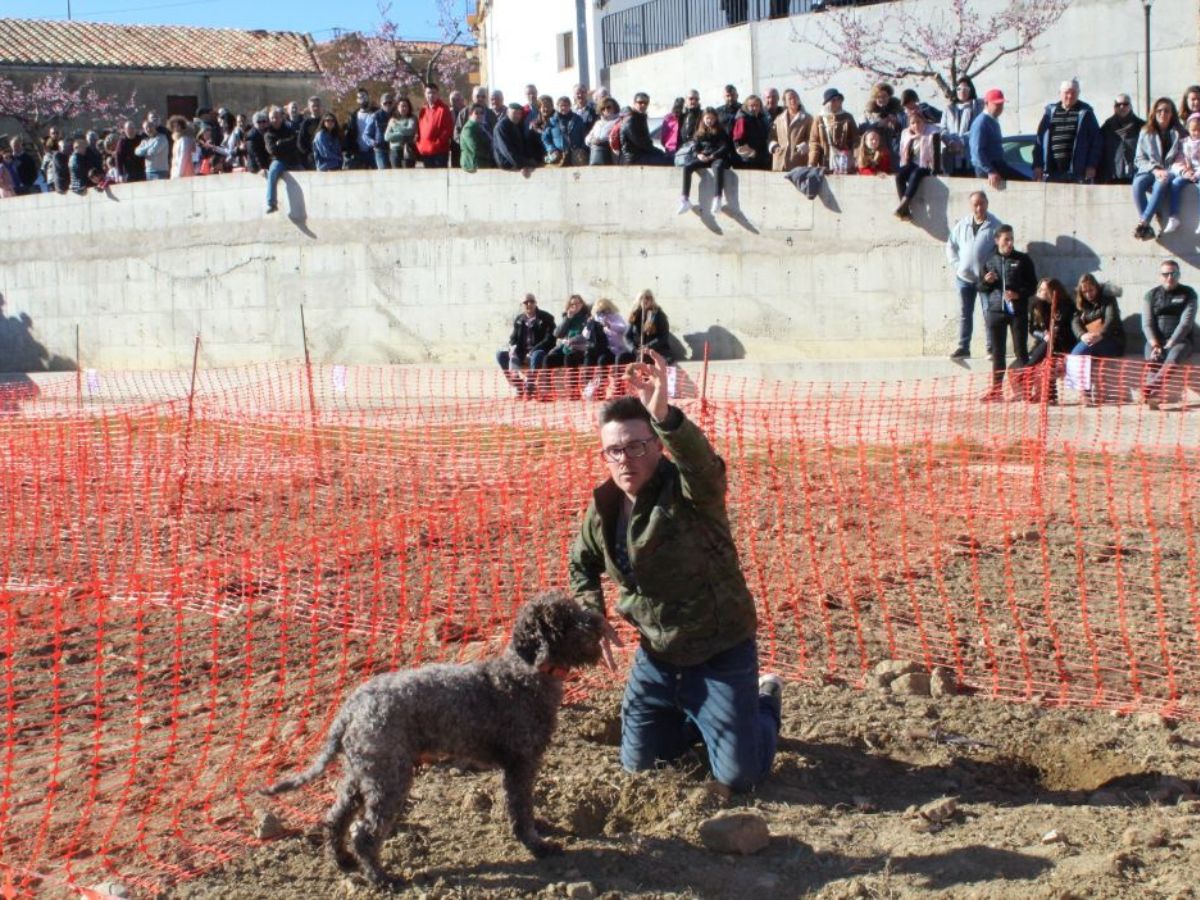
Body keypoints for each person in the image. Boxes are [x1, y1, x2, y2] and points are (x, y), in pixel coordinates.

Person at [568, 351, 782, 793]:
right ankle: (700, 720)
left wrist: (664, 414)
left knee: (740, 776)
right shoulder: (603, 508)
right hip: (657, 658)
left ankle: (763, 704)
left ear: (658, 446)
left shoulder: (688, 490)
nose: (625, 459)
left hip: (719, 652)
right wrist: (593, 615)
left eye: (636, 446)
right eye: (614, 450)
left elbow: (703, 464)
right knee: (641, 767)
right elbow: (582, 564)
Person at [978, 224, 1037, 400]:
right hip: (996, 312)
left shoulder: (1023, 259)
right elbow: (980, 287)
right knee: (998, 353)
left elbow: (1033, 286)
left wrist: (1018, 294)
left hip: (1017, 312)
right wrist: (987, 282)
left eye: (1012, 239)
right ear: (997, 241)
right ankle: (996, 391)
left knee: (1021, 352)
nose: (1010, 243)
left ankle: (1025, 389)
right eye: (1006, 239)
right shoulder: (988, 261)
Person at [1140, 260, 1196, 406]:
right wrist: (1155, 344)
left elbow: (1186, 323)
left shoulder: (1189, 293)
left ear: (1179, 275)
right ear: (1160, 276)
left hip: (1181, 341)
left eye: (1174, 274)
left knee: (1173, 357)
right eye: (1166, 274)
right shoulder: (1151, 295)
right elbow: (1147, 323)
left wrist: (1172, 341)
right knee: (1153, 359)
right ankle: (1153, 396)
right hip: (1156, 340)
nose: (1170, 277)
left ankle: (1150, 387)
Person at [1132, 97, 1185, 239]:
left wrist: (1167, 171)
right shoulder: (1145, 131)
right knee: (1137, 184)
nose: (1163, 113)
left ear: (1172, 114)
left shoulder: (1179, 132)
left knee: (1162, 182)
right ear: (1154, 113)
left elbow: (1182, 155)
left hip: (1170, 170)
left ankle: (1144, 222)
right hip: (1150, 169)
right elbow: (1139, 159)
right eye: (1159, 110)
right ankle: (1147, 226)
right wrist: (1155, 170)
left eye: (1166, 111)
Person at [1032, 78, 1101, 184]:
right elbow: (1039, 142)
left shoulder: (1086, 113)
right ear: (1059, 93)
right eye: (1066, 92)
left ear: (1078, 93)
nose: (1070, 96)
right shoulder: (1049, 114)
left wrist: (1091, 165)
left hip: (1078, 174)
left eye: (1073, 92)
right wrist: (1038, 165)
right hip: (1053, 172)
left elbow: (1096, 142)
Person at [1019, 277, 1076, 403]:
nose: (1042, 292)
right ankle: (1045, 392)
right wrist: (1044, 335)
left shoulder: (1066, 304)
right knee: (1046, 354)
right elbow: (1032, 329)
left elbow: (1064, 325)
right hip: (1046, 342)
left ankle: (1025, 374)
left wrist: (1053, 332)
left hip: (1064, 341)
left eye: (1045, 290)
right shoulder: (1037, 304)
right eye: (1040, 290)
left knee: (1049, 356)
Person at [497, 294, 556, 397]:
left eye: (531, 301)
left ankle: (530, 385)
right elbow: (513, 338)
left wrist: (533, 350)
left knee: (537, 354)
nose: (529, 304)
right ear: (522, 305)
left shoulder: (547, 318)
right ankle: (519, 385)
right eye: (526, 302)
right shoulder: (519, 319)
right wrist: (512, 347)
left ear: (535, 303)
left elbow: (550, 339)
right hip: (522, 352)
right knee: (500, 354)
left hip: (539, 351)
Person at [677, 107, 732, 215]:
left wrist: (713, 155)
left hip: (716, 157)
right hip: (704, 157)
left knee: (718, 167)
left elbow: (725, 146)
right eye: (707, 118)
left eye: (712, 118)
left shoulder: (721, 131)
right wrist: (699, 155)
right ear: (703, 119)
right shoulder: (699, 132)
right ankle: (685, 199)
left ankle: (718, 198)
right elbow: (695, 147)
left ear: (716, 119)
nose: (709, 121)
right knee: (687, 167)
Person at [970, 89, 1027, 185]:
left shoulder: (993, 120)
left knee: (1025, 182)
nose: (1000, 107)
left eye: (1001, 104)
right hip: (986, 170)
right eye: (996, 104)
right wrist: (990, 171)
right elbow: (977, 151)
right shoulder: (981, 122)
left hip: (998, 165)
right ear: (987, 103)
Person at [893, 107, 942, 219]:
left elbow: (935, 153)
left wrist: (923, 139)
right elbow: (902, 153)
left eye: (919, 122)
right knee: (899, 176)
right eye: (913, 123)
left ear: (923, 122)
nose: (916, 125)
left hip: (926, 165)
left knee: (916, 174)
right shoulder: (907, 135)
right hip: (912, 163)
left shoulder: (932, 133)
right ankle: (904, 210)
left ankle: (905, 204)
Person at [808, 88, 858, 173]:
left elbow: (856, 140)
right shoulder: (820, 119)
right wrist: (812, 162)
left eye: (838, 100)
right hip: (825, 162)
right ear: (827, 103)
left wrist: (856, 159)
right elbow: (814, 143)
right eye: (833, 100)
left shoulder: (847, 117)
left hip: (844, 162)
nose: (836, 102)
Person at [1099, 94, 1145, 185]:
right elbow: (1100, 149)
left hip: (1136, 173)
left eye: (1125, 104)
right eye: (1118, 105)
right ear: (1114, 108)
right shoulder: (1107, 126)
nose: (1122, 107)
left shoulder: (1141, 126)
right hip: (1112, 174)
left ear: (1131, 106)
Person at [263, 105, 301, 215]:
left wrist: (281, 143)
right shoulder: (268, 133)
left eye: (276, 117)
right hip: (279, 160)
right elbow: (272, 150)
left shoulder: (289, 129)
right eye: (272, 118)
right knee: (273, 171)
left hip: (292, 158)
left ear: (281, 117)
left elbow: (294, 142)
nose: (274, 120)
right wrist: (285, 144)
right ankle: (271, 202)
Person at [945, 77, 984, 176]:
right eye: (959, 89)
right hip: (952, 154)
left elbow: (977, 128)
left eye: (965, 89)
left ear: (970, 90)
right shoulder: (949, 108)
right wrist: (950, 142)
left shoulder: (977, 106)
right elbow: (942, 128)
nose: (962, 92)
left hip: (970, 155)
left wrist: (962, 141)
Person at [621, 290, 672, 363]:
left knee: (645, 359)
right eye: (641, 298)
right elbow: (626, 336)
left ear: (652, 300)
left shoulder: (659, 315)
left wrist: (648, 347)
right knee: (621, 358)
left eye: (648, 298)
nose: (644, 300)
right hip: (637, 351)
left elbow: (663, 336)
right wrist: (633, 349)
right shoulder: (635, 315)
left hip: (656, 350)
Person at [618, 93, 668, 166]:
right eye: (640, 102)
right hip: (633, 158)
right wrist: (658, 152)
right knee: (666, 160)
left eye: (646, 103)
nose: (643, 105)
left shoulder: (640, 117)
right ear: (634, 103)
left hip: (641, 155)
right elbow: (641, 143)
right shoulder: (631, 120)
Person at [769, 89, 811, 172]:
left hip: (798, 161)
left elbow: (813, 139)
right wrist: (774, 146)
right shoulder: (779, 119)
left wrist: (805, 145)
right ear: (785, 103)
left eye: (795, 97)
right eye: (790, 98)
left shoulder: (807, 118)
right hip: (780, 163)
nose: (793, 100)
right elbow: (772, 137)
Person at [1174, 113, 1200, 233]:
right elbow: (1180, 159)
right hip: (1188, 173)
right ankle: (1173, 216)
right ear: (1188, 129)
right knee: (1175, 183)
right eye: (1193, 130)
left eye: (1199, 130)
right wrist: (1185, 171)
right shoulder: (1184, 142)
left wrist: (1196, 174)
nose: (1196, 133)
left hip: (1199, 173)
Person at [731, 94, 771, 169]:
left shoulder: (762, 119)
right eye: (752, 105)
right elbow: (738, 141)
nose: (754, 108)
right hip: (748, 161)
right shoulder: (742, 119)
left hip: (762, 158)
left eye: (757, 105)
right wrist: (753, 153)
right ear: (746, 106)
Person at [543, 96, 586, 165]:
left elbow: (583, 136)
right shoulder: (551, 121)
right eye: (561, 106)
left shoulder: (578, 119)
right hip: (558, 153)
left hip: (575, 153)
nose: (563, 108)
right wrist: (552, 149)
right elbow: (545, 138)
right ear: (557, 107)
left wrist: (581, 149)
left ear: (570, 106)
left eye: (566, 105)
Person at [862, 83, 903, 154]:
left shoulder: (898, 110)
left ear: (889, 96)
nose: (882, 99)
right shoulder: (869, 112)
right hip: (875, 150)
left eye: (884, 96)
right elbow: (862, 131)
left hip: (894, 149)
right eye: (878, 97)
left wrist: (896, 123)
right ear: (874, 98)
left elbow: (905, 128)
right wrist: (877, 125)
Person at [344, 88, 379, 169]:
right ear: (357, 100)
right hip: (358, 152)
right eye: (359, 97)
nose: (362, 99)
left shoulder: (376, 113)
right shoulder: (353, 116)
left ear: (368, 97)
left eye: (364, 96)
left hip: (374, 151)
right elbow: (349, 134)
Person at [493, 104, 532, 172]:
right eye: (514, 113)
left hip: (516, 163)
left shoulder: (516, 124)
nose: (517, 116)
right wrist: (521, 165)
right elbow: (506, 150)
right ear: (507, 113)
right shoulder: (501, 127)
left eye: (519, 113)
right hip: (507, 166)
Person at [385, 97, 419, 169]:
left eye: (405, 106)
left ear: (409, 107)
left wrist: (396, 127)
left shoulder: (412, 118)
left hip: (408, 150)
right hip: (395, 151)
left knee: (409, 173)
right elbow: (387, 137)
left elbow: (410, 131)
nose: (403, 108)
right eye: (401, 106)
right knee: (396, 174)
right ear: (397, 107)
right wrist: (403, 137)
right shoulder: (392, 120)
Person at [585, 98, 621, 166]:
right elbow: (587, 138)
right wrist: (591, 140)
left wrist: (602, 140)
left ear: (614, 108)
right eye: (603, 108)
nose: (606, 110)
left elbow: (617, 137)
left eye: (608, 107)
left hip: (612, 155)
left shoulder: (618, 121)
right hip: (596, 155)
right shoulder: (598, 123)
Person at [364, 93, 395, 170]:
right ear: (381, 104)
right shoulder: (375, 116)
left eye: (390, 102)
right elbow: (366, 135)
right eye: (385, 103)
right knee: (384, 174)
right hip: (381, 151)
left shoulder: (396, 115)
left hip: (394, 150)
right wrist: (373, 142)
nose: (388, 105)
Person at [459, 105, 493, 172]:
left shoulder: (483, 127)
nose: (479, 115)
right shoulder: (468, 128)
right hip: (473, 165)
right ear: (470, 115)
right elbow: (474, 148)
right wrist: (491, 155)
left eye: (481, 113)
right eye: (476, 113)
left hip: (483, 163)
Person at [296, 96, 324, 169]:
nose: (316, 108)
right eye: (313, 106)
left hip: (326, 157)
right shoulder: (305, 123)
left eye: (318, 105)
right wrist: (309, 154)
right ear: (309, 108)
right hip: (311, 160)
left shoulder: (326, 121)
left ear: (321, 107)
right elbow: (300, 143)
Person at [660, 97, 684, 162]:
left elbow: (663, 136)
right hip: (677, 149)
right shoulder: (683, 117)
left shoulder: (667, 118)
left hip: (670, 148)